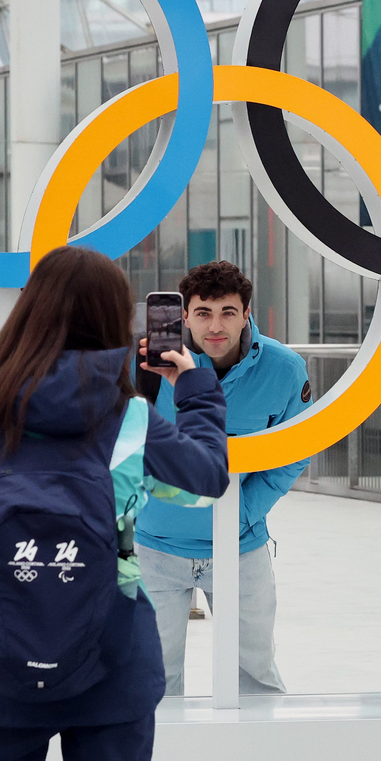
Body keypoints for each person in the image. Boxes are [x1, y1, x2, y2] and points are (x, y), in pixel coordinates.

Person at [0, 246, 230, 761]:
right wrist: (194, 388)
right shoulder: (130, 419)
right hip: (114, 657)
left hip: (0, 666)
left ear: (29, 312)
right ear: (115, 320)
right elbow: (203, 484)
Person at [134, 260, 312, 695]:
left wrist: (241, 514)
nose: (215, 326)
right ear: (184, 316)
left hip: (241, 548)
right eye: (203, 313)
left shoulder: (284, 370)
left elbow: (294, 453)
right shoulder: (150, 364)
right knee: (150, 683)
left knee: (255, 677)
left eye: (228, 312)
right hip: (156, 548)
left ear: (247, 313)